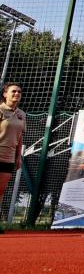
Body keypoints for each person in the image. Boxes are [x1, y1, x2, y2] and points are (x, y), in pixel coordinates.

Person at [0, 83, 25, 233]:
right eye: (13, 91)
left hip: (9, 157)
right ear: (5, 94)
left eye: (19, 92)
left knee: (0, 190)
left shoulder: (21, 114)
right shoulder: (1, 110)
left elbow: (20, 137)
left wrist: (18, 156)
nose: (17, 94)